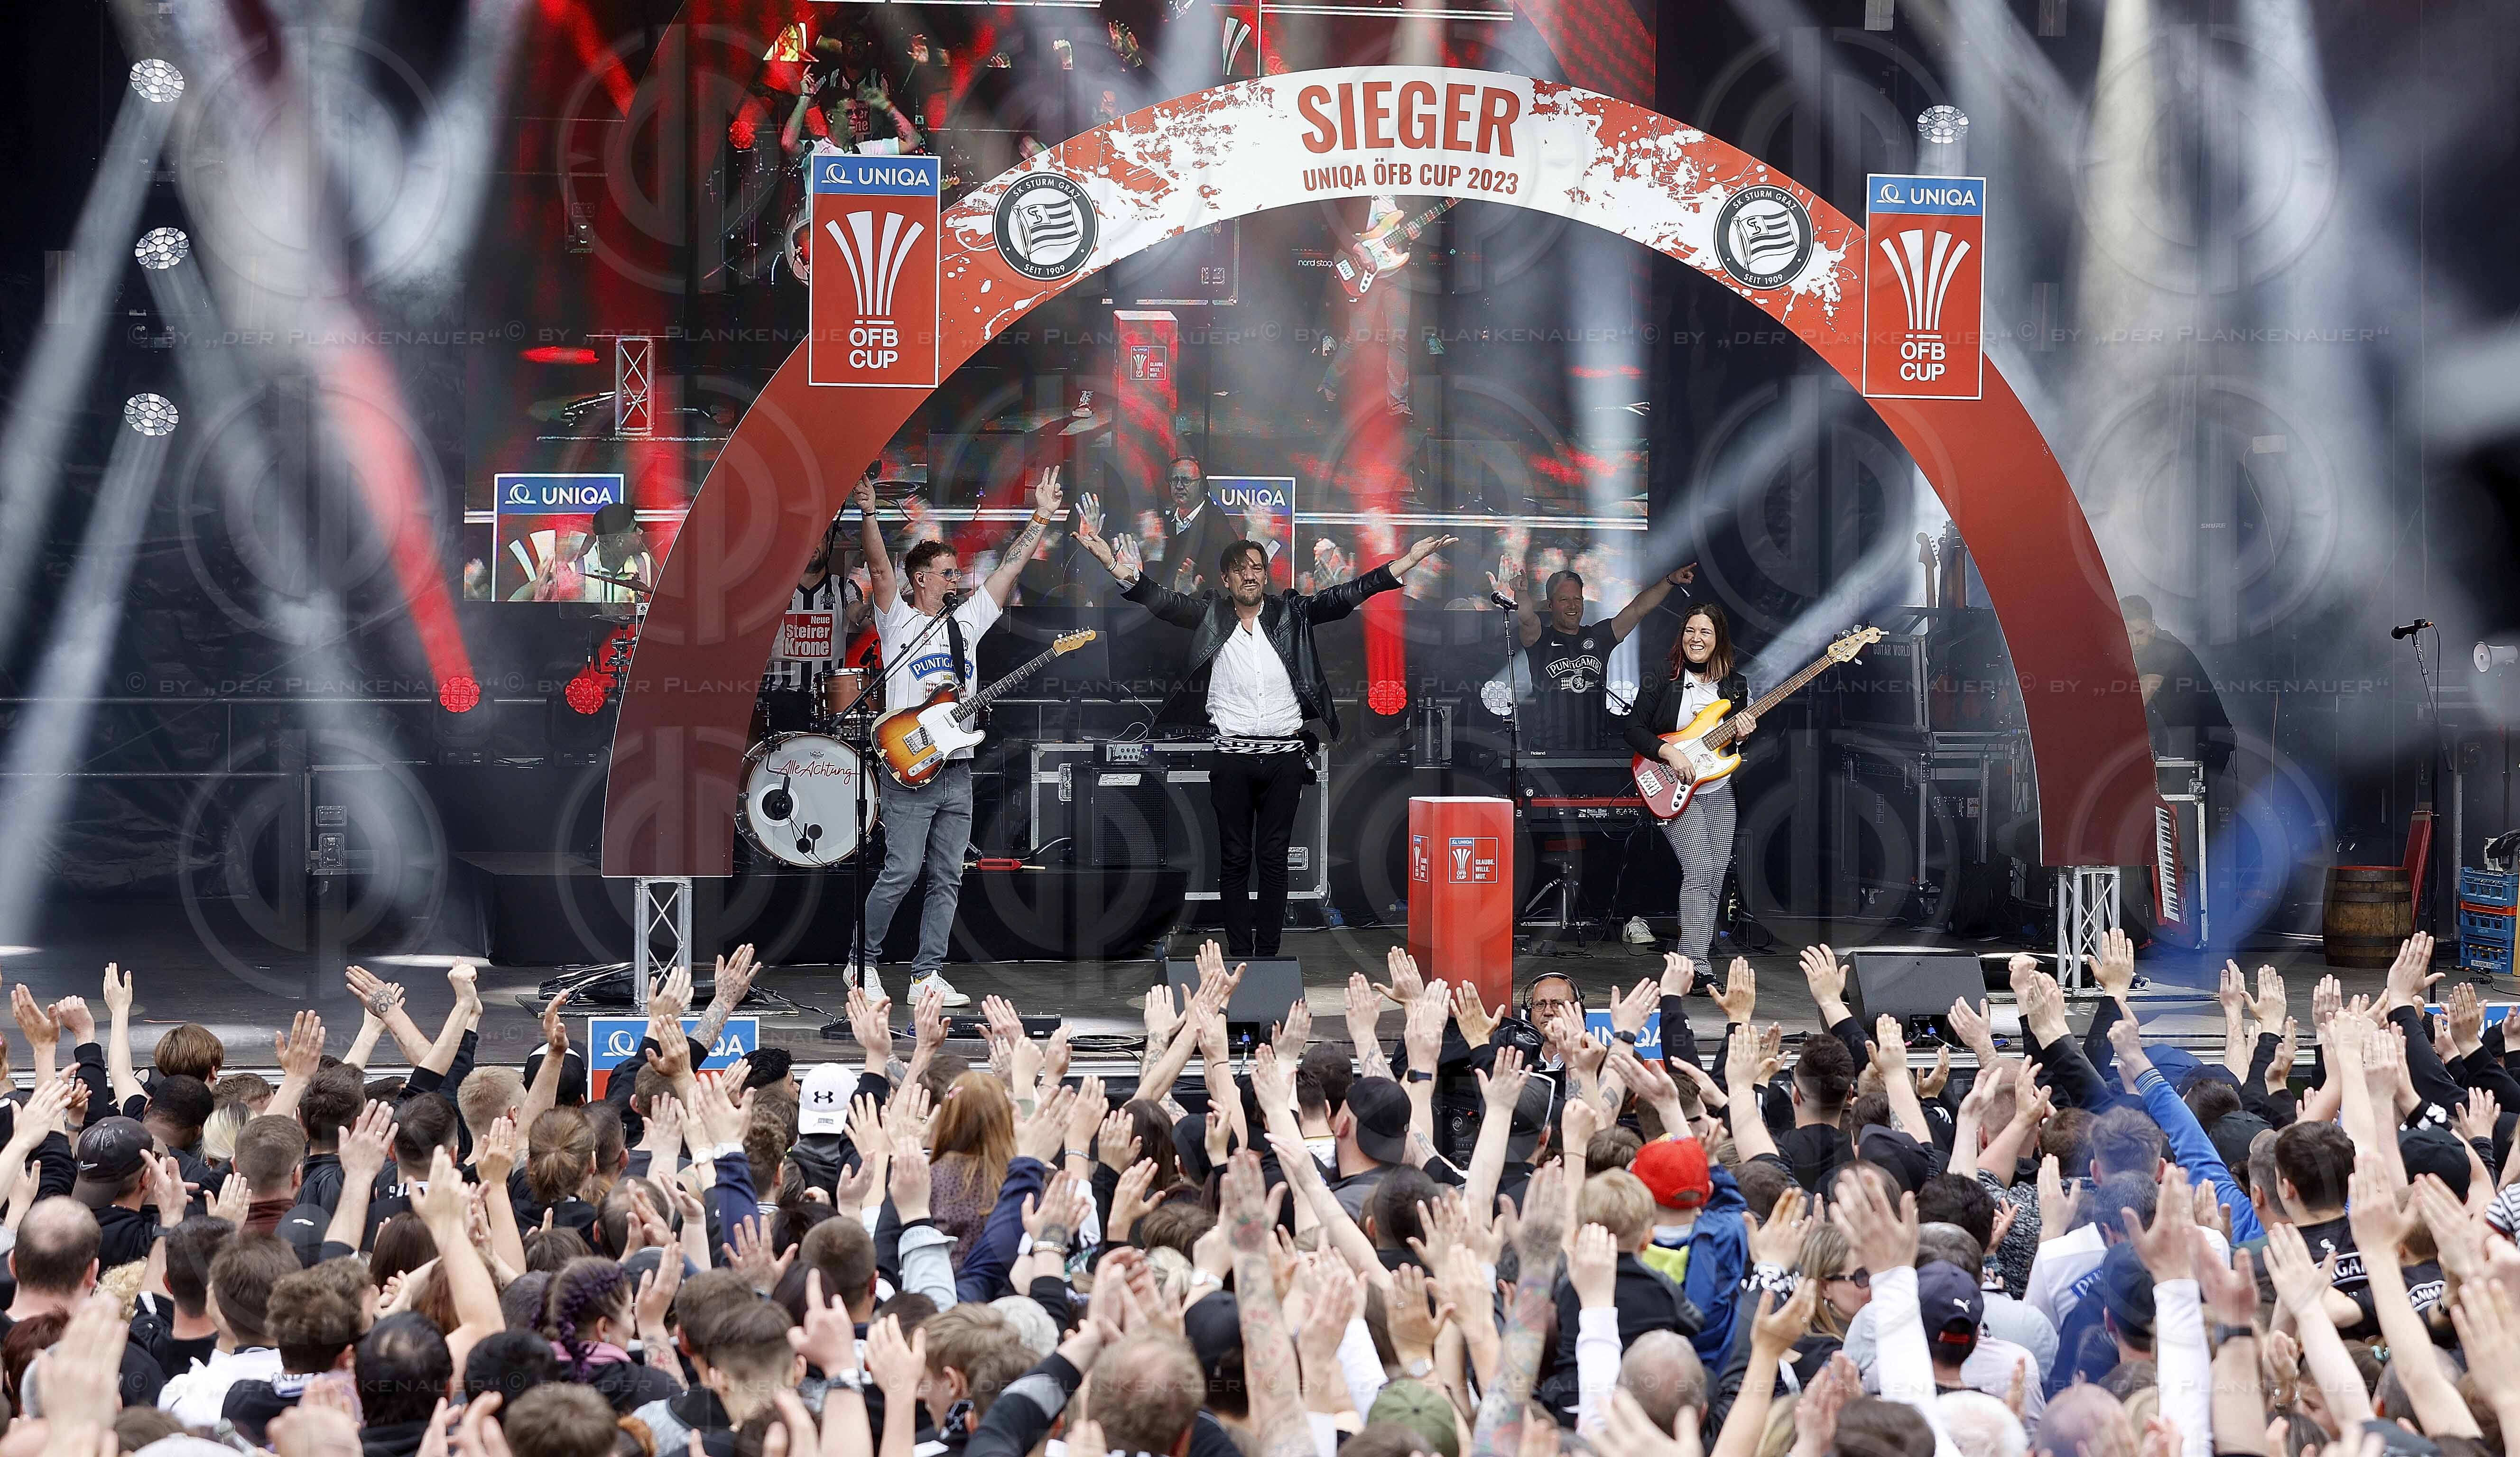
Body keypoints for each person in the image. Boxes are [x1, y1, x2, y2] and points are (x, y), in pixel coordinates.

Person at [1073, 511, 1455, 957]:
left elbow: (1348, 594)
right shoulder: (1210, 614)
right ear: (1226, 579)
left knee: (1274, 861)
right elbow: (1157, 599)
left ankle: (1269, 956)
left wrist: (1405, 562)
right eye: (1239, 570)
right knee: (1234, 861)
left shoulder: (1292, 612)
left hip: (1284, 758)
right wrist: (1110, 562)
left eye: (1256, 568)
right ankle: (1239, 955)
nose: (1249, 576)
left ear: (1265, 575)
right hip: (1232, 759)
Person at [850, 466, 1065, 1006]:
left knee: (947, 875)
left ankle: (927, 974)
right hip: (908, 767)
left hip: (956, 770)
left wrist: (1040, 517)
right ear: (920, 578)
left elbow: (1008, 572)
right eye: (946, 573)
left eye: (955, 573)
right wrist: (871, 514)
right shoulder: (896, 619)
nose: (956, 580)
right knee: (901, 871)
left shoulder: (964, 623)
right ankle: (863, 963)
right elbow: (878, 567)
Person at [1624, 601, 1760, 972]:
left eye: (1705, 632)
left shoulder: (1734, 685)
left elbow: (1729, 747)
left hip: (1717, 790)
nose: (1696, 639)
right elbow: (1633, 728)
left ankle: (1694, 961)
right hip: (1671, 788)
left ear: (1719, 639)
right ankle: (1692, 961)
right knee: (1700, 869)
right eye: (1690, 631)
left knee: (1715, 876)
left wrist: (1743, 738)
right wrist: (1669, 752)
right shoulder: (1662, 677)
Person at [1501, 561, 1699, 752]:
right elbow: (1527, 619)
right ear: (1550, 605)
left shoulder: (1599, 637)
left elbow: (1638, 609)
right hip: (1549, 753)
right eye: (1564, 600)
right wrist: (1521, 593)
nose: (1572, 606)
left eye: (1577, 599)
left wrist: (1670, 581)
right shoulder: (1540, 639)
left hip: (1596, 754)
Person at [2119, 596, 2231, 765]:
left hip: (2210, 742)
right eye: (2127, 635)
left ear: (2152, 626)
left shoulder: (2164, 649)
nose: (2134, 642)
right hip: (2188, 738)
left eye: (2140, 633)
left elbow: (2137, 700)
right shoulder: (2147, 649)